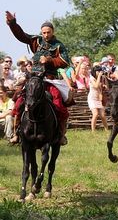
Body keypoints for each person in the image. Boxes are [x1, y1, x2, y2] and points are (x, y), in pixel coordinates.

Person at [5, 11, 71, 145]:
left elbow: (65, 61)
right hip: (33, 78)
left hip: (49, 79)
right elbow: (21, 35)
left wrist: (49, 60)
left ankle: (61, 134)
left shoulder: (58, 45)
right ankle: (17, 133)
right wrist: (12, 23)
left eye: (48, 32)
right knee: (19, 103)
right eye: (44, 32)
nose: (46, 35)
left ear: (53, 32)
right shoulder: (36, 40)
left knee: (59, 104)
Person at [88, 65, 109, 132]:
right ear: (95, 71)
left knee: (102, 115)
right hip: (92, 98)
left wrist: (104, 86)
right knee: (95, 114)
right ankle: (93, 131)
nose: (100, 72)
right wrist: (99, 76)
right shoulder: (92, 78)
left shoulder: (103, 78)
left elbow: (107, 87)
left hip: (100, 98)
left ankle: (106, 129)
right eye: (98, 71)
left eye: (101, 71)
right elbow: (96, 86)